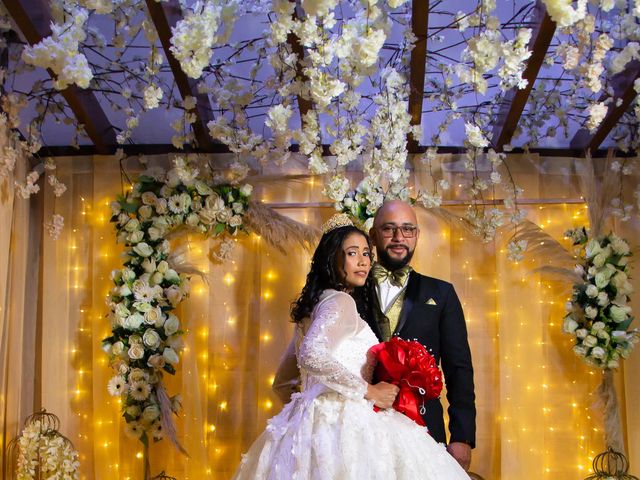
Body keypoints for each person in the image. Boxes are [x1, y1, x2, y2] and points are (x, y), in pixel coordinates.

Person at [233, 213, 471, 480]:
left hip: (314, 430)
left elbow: (282, 382)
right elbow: (312, 355)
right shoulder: (341, 302)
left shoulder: (313, 309)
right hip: (349, 429)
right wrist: (367, 391)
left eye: (366, 254)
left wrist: (308, 418)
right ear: (332, 258)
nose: (363, 261)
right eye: (352, 253)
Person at [367, 200, 476, 469]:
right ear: (373, 235)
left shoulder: (442, 293)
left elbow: (458, 368)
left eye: (407, 229)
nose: (398, 238)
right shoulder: (350, 291)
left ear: (417, 235)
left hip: (425, 426)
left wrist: (462, 436)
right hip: (363, 423)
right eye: (389, 229)